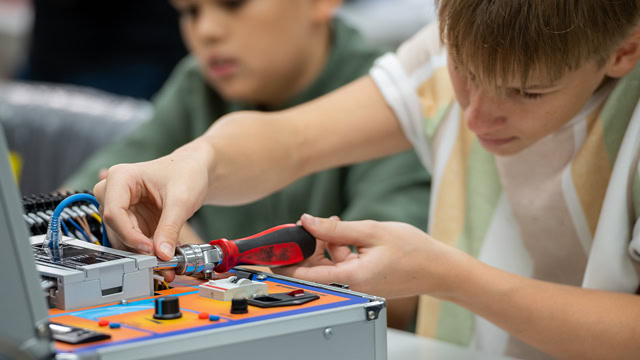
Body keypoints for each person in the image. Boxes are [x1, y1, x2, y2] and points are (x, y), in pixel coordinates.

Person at [93, 0, 640, 358]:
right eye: (464, 76)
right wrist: (200, 160)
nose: (474, 118)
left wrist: (448, 277)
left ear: (623, 51)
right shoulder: (455, 40)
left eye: (526, 93)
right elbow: (291, 141)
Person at [65, 0, 430, 284]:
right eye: (190, 11)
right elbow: (83, 196)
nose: (206, 31)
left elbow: (400, 289)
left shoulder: (398, 102)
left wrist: (205, 263)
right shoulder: (199, 84)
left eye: (234, 3)